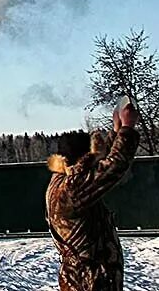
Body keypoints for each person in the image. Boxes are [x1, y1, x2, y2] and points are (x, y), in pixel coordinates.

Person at [45, 101, 140, 291]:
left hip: (87, 279)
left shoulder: (64, 180)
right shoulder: (71, 190)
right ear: (83, 160)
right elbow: (113, 167)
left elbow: (101, 165)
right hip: (88, 282)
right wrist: (127, 129)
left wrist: (116, 130)